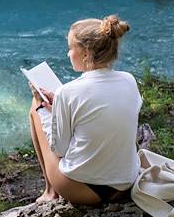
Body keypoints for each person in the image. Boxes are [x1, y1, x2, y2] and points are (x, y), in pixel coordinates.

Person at [27, 15, 140, 205]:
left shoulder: (67, 92)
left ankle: (50, 192)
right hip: (124, 185)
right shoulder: (129, 80)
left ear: (86, 53)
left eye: (70, 48)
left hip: (81, 190)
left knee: (35, 106)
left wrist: (42, 107)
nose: (68, 54)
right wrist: (59, 107)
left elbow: (59, 150)